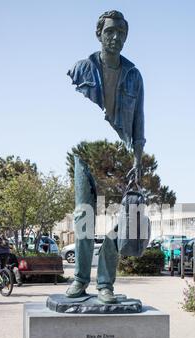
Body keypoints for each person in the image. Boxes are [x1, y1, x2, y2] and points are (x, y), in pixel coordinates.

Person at [67, 10, 146, 304]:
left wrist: (138, 157)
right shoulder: (81, 69)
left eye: (121, 33)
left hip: (121, 154)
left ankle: (105, 283)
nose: (115, 37)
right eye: (110, 31)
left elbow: (139, 119)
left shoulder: (134, 75)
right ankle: (79, 279)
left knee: (119, 221)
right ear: (99, 33)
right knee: (83, 215)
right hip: (85, 153)